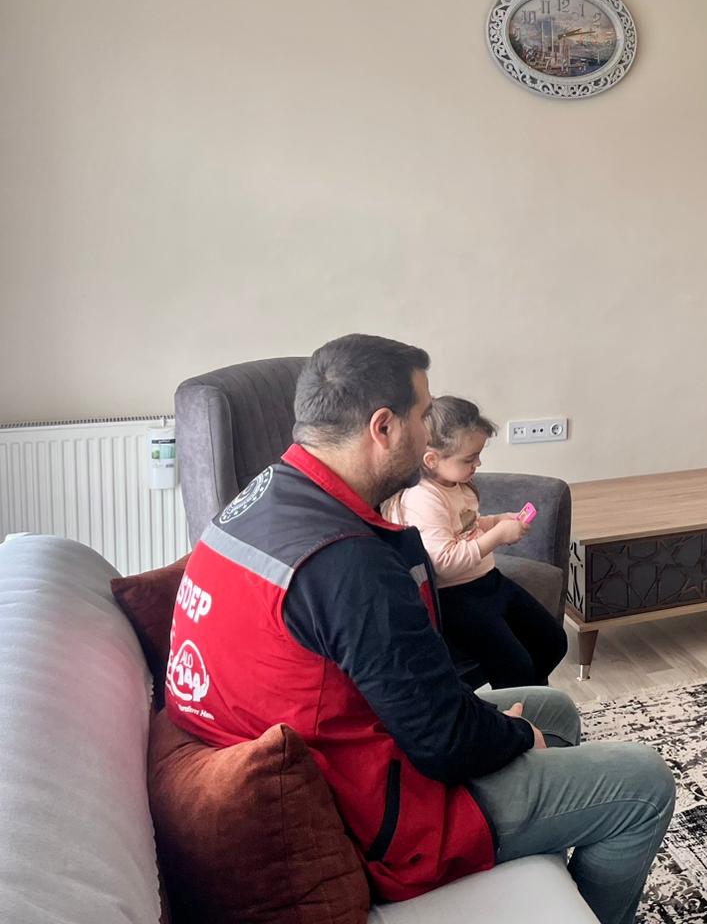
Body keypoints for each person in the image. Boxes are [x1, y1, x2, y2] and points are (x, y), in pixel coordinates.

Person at [165, 334, 673, 922]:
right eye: (423, 413)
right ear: (383, 427)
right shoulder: (345, 562)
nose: (430, 431)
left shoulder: (266, 497)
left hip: (338, 743)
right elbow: (443, 742)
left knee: (553, 709)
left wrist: (505, 729)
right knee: (645, 783)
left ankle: (545, 856)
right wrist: (513, 736)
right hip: (374, 815)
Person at [387, 396, 569, 688]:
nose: (478, 463)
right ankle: (517, 707)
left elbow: (465, 525)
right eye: (469, 458)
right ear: (431, 459)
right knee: (516, 668)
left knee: (553, 642)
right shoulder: (423, 498)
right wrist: (497, 537)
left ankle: (527, 702)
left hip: (487, 582)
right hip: (455, 598)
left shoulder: (455, 484)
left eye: (479, 455)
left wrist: (495, 522)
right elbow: (443, 563)